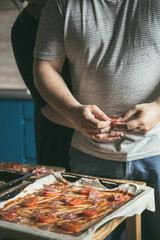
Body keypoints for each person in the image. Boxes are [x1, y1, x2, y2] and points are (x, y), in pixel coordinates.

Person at [33, 0, 160, 239]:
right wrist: (72, 111)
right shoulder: (61, 4)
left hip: (158, 152)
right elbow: (45, 67)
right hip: (90, 156)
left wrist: (158, 107)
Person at [11, 0, 74, 171]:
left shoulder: (74, 10)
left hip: (95, 118)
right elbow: (45, 105)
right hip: (56, 123)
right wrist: (83, 123)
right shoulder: (22, 30)